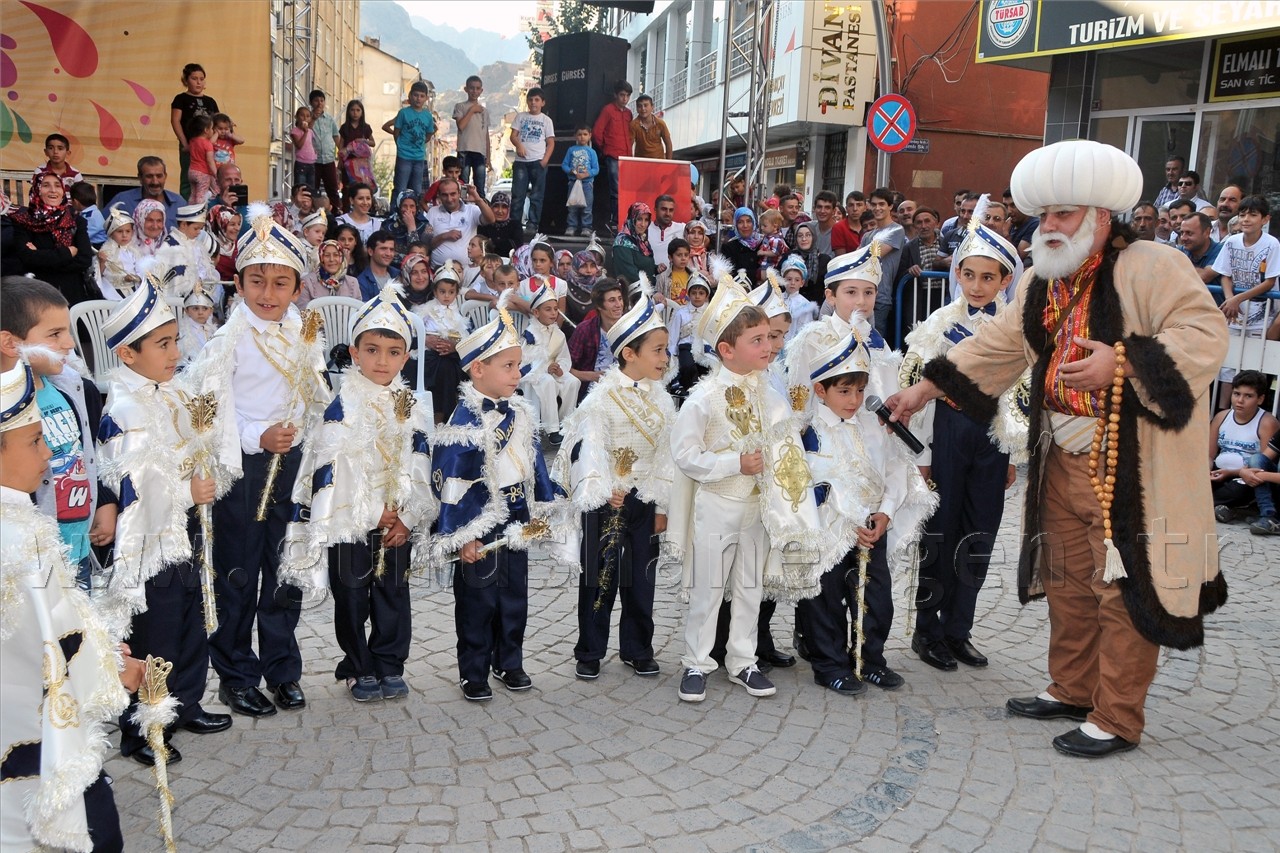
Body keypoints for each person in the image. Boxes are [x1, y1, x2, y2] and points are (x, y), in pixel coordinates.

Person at [888, 139, 1229, 758]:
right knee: (1069, 581)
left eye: (1062, 214)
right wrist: (927, 387)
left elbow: (1205, 335)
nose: (1047, 226)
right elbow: (997, 342)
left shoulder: (1155, 264)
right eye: (1042, 215)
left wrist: (1121, 362)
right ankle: (1072, 687)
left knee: (1121, 588)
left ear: (1101, 216)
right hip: (1062, 458)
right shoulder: (1046, 277)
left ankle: (1117, 716)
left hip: (1130, 464)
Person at [184, 205, 333, 719]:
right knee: (238, 572)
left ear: (297, 287)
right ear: (240, 284)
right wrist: (256, 435)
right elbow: (211, 410)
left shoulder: (304, 333)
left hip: (290, 467)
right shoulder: (228, 341)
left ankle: (282, 669)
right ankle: (235, 673)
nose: (268, 295)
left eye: (280, 283)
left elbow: (315, 398)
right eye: (256, 282)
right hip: (242, 469)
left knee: (284, 567)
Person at [663, 273, 828, 704]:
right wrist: (733, 463)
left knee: (750, 588)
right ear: (727, 349)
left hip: (759, 510)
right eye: (758, 340)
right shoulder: (703, 399)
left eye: (768, 339)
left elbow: (786, 447)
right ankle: (697, 662)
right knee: (708, 588)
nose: (769, 347)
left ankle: (742, 660)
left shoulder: (770, 396)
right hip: (717, 506)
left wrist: (791, 500)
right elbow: (685, 455)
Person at [0, 358, 140, 853]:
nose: (49, 451)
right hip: (34, 727)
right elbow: (54, 640)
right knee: (92, 830)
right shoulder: (20, 539)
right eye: (35, 441)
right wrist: (114, 671)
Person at [95, 279, 234, 767]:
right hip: (150, 542)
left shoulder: (172, 391)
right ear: (128, 355)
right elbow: (132, 483)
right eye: (163, 344)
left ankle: (187, 703)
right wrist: (184, 491)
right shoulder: (126, 408)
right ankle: (144, 727)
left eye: (176, 341)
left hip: (186, 531)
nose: (176, 352)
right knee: (156, 634)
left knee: (191, 622)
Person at [281, 280, 435, 703]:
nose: (381, 361)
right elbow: (334, 471)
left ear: (406, 356)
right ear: (354, 352)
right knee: (351, 594)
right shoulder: (341, 407)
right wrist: (372, 513)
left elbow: (421, 463)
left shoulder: (413, 406)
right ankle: (358, 664)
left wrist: (406, 515)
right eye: (371, 350)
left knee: (393, 593)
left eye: (392, 352)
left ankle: (389, 663)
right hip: (350, 523)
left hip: (397, 524)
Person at [426, 295, 566, 701]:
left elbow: (533, 460)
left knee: (513, 595)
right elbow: (452, 480)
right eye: (508, 366)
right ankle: (473, 669)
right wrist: (463, 535)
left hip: (516, 517)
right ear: (477, 369)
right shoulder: (462, 421)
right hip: (479, 521)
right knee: (477, 599)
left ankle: (510, 660)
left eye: (518, 365)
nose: (517, 374)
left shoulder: (521, 411)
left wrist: (540, 504)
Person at [902, 217, 1026, 672]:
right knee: (940, 534)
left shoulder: (1014, 331)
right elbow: (916, 390)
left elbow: (1020, 394)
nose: (977, 286)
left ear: (1006, 280)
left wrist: (1012, 450)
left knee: (979, 535)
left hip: (991, 439)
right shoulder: (939, 324)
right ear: (956, 273)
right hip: (948, 435)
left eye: (988, 277)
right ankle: (926, 630)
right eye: (969, 274)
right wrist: (925, 455)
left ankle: (959, 629)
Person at [798, 333, 934, 695]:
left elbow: (894, 470)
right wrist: (847, 518)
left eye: (859, 391)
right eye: (844, 391)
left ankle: (870, 659)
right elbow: (810, 483)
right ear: (820, 390)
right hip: (831, 531)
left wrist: (886, 514)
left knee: (876, 599)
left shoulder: (875, 427)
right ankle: (829, 664)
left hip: (873, 528)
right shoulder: (808, 433)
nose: (854, 400)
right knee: (824, 600)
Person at [554, 277, 674, 681]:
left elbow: (667, 456)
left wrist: (661, 503)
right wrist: (604, 490)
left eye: (666, 350)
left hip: (644, 500)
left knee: (642, 578)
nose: (665, 358)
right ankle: (590, 649)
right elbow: (585, 449)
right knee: (600, 577)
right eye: (657, 351)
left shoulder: (663, 399)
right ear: (629, 353)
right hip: (609, 500)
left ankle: (638, 647)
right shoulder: (602, 397)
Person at [0, 278, 108, 589]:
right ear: (11, 343)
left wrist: (103, 501)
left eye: (68, 331)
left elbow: (87, 453)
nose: (70, 343)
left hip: (79, 552)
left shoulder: (74, 390)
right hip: (32, 565)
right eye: (55, 334)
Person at [9, 173, 94, 305]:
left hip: (72, 293)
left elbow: (85, 259)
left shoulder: (76, 221)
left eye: (57, 186)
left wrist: (42, 257)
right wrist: (67, 253)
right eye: (46, 185)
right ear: (37, 189)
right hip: (38, 294)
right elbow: (26, 257)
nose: (53, 190)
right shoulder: (23, 221)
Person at [1210, 369, 1279, 525]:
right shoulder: (1221, 417)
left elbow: (1261, 464)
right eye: (1236, 394)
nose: (1240, 400)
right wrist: (1206, 472)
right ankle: (1219, 506)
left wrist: (1233, 473)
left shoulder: (1267, 423)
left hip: (1245, 477)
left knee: (1241, 489)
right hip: (1219, 471)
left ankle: (1207, 504)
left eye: (1248, 396)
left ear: (1260, 399)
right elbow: (1209, 455)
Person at [518, 284, 580, 444]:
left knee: (573, 381)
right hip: (533, 375)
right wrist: (545, 369)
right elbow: (524, 362)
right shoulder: (530, 334)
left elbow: (564, 358)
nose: (553, 313)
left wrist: (560, 368)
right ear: (536, 312)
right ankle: (551, 429)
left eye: (555, 309)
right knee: (547, 382)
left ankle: (566, 424)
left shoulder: (558, 333)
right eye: (548, 309)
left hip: (551, 372)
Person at [1212, 195, 1279, 336]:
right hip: (1233, 313)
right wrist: (1230, 298)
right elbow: (1225, 275)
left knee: (1256, 354)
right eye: (1242, 215)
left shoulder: (1272, 244)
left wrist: (1238, 298)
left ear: (1265, 219)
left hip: (1261, 317)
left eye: (1253, 215)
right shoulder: (1231, 242)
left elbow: (1269, 282)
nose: (1246, 219)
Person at [415, 260, 470, 423]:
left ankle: (454, 412)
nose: (446, 296)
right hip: (430, 354)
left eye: (451, 292)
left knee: (454, 366)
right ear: (435, 291)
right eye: (442, 291)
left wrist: (454, 348)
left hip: (452, 354)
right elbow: (414, 330)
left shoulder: (458, 313)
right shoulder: (426, 310)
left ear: (456, 292)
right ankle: (440, 413)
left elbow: (465, 337)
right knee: (443, 368)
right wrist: (425, 340)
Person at [569, 279, 627, 397]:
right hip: (591, 392)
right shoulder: (585, 330)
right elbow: (566, 368)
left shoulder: (631, 328)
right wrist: (592, 376)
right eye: (612, 300)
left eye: (620, 298)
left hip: (625, 389)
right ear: (599, 306)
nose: (618, 304)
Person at [862, 188, 908, 336]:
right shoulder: (868, 235)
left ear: (890, 206)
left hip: (880, 296)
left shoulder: (897, 230)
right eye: (874, 204)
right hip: (860, 293)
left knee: (875, 345)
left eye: (881, 204)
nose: (877, 208)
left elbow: (872, 255)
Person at [510, 87, 556, 232]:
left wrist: (545, 160)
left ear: (543, 102)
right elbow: (513, 136)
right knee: (518, 195)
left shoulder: (546, 120)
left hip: (538, 162)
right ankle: (514, 224)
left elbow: (551, 142)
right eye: (530, 100)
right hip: (521, 162)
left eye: (537, 100)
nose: (533, 103)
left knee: (536, 196)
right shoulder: (521, 117)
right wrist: (519, 145)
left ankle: (533, 223)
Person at [170, 63, 219, 199]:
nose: (198, 82)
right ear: (186, 80)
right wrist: (185, 143)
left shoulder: (210, 101)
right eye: (194, 78)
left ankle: (211, 205)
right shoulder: (181, 99)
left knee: (212, 173)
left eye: (201, 79)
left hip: (209, 145)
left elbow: (216, 122)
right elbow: (175, 121)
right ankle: (187, 205)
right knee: (189, 176)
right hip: (191, 145)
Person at [154, 202, 219, 304]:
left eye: (201, 229)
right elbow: (175, 282)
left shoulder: (195, 244)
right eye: (196, 228)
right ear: (184, 225)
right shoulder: (171, 247)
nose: (199, 232)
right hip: (176, 303)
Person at [383, 81, 436, 203]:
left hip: (419, 157)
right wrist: (400, 144)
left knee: (416, 189)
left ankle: (414, 213)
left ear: (426, 98)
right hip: (404, 156)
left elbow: (429, 133)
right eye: (416, 95)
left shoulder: (427, 116)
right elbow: (397, 131)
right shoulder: (404, 113)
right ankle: (395, 213)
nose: (418, 98)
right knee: (400, 187)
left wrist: (422, 143)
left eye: (422, 96)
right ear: (410, 96)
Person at [427, 179, 496, 270]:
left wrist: (478, 200)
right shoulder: (433, 212)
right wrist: (445, 236)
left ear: (459, 193)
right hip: (438, 269)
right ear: (439, 195)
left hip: (466, 270)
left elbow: (491, 219)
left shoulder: (471, 210)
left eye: (453, 194)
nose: (449, 199)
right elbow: (427, 245)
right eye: (445, 195)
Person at [593, 81, 634, 228]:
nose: (625, 98)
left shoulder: (629, 113)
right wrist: (605, 149)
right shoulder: (608, 110)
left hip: (627, 157)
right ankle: (616, 220)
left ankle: (624, 219)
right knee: (616, 190)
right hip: (613, 156)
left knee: (625, 190)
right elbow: (597, 132)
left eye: (627, 96)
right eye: (622, 95)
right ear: (615, 95)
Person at [107, 156, 187, 230]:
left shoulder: (179, 203)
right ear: (140, 178)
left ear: (165, 176)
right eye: (149, 176)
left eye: (159, 176)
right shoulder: (123, 201)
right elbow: (101, 231)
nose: (155, 182)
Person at [454, 75, 492, 198]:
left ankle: (480, 212)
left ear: (481, 90)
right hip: (464, 150)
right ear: (466, 89)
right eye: (471, 88)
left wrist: (488, 157)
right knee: (463, 185)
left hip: (480, 152)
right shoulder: (460, 106)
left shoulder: (484, 111)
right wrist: (472, 110)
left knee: (480, 186)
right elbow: (461, 126)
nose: (474, 91)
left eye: (477, 88)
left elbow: (486, 134)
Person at [96, 207, 144, 300]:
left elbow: (141, 270)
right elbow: (99, 276)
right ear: (111, 233)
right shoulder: (106, 251)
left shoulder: (134, 251)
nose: (124, 235)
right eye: (120, 231)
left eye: (128, 231)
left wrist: (136, 277)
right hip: (113, 292)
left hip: (134, 290)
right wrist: (102, 262)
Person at [298, 239, 360, 308]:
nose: (331, 259)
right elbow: (303, 312)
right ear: (321, 258)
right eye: (327, 255)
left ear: (341, 258)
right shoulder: (307, 282)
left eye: (336, 255)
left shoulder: (352, 283)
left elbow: (358, 312)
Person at [562, 126, 600, 237]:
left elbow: (596, 169)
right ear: (575, 136)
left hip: (587, 184)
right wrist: (572, 171)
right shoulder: (571, 150)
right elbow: (564, 165)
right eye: (579, 134)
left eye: (585, 134)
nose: (582, 137)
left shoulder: (591, 152)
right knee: (572, 206)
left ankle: (586, 227)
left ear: (589, 136)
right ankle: (571, 226)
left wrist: (586, 174)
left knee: (587, 207)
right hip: (573, 183)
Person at [339, 100, 376, 210]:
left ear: (362, 112)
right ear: (348, 112)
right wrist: (340, 161)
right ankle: (346, 210)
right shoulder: (344, 127)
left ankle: (367, 210)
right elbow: (341, 146)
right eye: (352, 110)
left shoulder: (365, 127)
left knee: (364, 186)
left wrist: (363, 141)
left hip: (362, 165)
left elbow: (373, 142)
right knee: (347, 188)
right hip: (348, 164)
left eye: (358, 110)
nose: (355, 113)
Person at [308, 90, 343, 209]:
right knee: (313, 189)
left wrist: (342, 153)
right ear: (311, 102)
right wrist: (313, 118)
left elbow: (336, 136)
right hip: (313, 161)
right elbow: (306, 131)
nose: (319, 103)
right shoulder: (307, 117)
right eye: (316, 100)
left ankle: (336, 212)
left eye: (322, 100)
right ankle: (313, 212)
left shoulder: (329, 119)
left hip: (328, 159)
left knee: (332, 188)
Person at [613, 202, 659, 285]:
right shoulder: (622, 242)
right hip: (632, 294)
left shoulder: (641, 240)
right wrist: (652, 292)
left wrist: (656, 269)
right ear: (632, 219)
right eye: (639, 219)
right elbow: (629, 274)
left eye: (646, 220)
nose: (643, 224)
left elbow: (642, 265)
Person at [177, 280, 220, 364]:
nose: (200, 312)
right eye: (195, 308)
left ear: (211, 311)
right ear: (187, 311)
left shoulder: (213, 330)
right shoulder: (182, 333)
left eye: (205, 308)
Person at [1178, 212, 1223, 291]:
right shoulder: (1180, 251)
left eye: (1189, 233)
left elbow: (1203, 277)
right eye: (1182, 233)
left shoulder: (1221, 250)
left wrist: (1177, 270)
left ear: (1207, 232)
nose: (1183, 238)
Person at [780, 255, 818, 339]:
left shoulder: (804, 305)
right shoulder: (777, 298)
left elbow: (804, 330)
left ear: (802, 283)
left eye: (797, 280)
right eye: (789, 279)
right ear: (783, 280)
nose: (792, 283)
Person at [478, 191, 525, 258]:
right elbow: (482, 247)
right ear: (491, 208)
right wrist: (505, 243)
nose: (500, 211)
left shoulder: (515, 225)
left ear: (508, 209)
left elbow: (517, 247)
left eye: (504, 207)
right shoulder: (484, 225)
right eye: (496, 206)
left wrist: (493, 242)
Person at [721, 207, 762, 282]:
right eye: (740, 222)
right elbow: (729, 274)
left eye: (749, 221)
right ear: (735, 225)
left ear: (754, 223)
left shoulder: (764, 243)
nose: (745, 225)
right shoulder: (729, 247)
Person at [356, 230, 400, 301]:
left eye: (391, 249)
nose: (388, 253)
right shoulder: (361, 282)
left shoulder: (399, 275)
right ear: (370, 251)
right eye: (383, 249)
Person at [387, 191, 432, 257]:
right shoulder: (388, 225)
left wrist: (411, 227)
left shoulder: (425, 226)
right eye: (404, 206)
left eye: (412, 206)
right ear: (399, 207)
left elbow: (418, 255)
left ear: (416, 208)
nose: (408, 210)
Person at [186, 114, 218, 204]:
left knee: (193, 194)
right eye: (211, 128)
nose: (212, 131)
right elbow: (210, 160)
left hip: (191, 171)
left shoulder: (192, 141)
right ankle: (199, 212)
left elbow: (186, 149)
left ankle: (190, 209)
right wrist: (216, 173)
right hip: (202, 172)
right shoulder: (207, 144)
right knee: (201, 194)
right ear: (206, 130)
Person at [648, 194, 686, 269]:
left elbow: (703, 239)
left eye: (671, 210)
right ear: (655, 209)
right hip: (650, 277)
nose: (668, 214)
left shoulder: (682, 228)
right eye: (664, 209)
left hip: (674, 278)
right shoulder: (646, 228)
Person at [630, 93, 673, 159]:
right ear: (636, 109)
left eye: (646, 105)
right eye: (640, 106)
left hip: (658, 162)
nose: (643, 109)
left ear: (652, 107)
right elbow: (629, 145)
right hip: (640, 162)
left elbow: (668, 143)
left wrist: (669, 163)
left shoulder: (660, 123)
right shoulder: (633, 125)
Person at [656, 238, 693, 305]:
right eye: (679, 255)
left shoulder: (693, 276)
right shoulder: (663, 277)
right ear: (670, 258)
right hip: (670, 313)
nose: (683, 258)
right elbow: (658, 300)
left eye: (686, 255)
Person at [70, 181, 106, 248]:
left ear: (76, 202)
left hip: (97, 247)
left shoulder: (92, 216)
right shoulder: (88, 213)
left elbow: (83, 235)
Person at [289, 106, 318, 190]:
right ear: (297, 117)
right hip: (301, 164)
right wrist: (305, 132)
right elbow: (299, 145)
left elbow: (312, 143)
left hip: (311, 163)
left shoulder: (311, 131)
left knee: (311, 189)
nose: (305, 118)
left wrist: (315, 152)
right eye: (302, 115)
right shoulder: (295, 131)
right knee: (300, 188)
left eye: (308, 116)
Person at [755, 209, 788, 277]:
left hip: (771, 265)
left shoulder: (775, 239)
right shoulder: (768, 236)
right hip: (765, 263)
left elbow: (775, 252)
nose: (762, 228)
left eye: (765, 226)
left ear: (775, 226)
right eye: (761, 225)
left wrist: (763, 252)